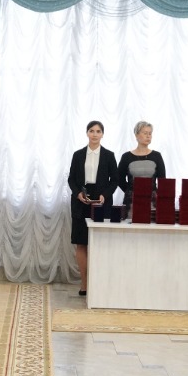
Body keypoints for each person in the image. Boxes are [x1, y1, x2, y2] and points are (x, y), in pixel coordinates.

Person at [68, 120, 118, 298]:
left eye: (98, 131)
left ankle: (98, 284)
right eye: (91, 130)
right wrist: (77, 194)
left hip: (102, 202)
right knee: (81, 242)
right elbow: (71, 179)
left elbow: (115, 180)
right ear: (87, 133)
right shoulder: (78, 154)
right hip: (81, 200)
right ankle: (84, 284)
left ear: (102, 134)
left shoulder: (109, 155)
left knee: (100, 242)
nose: (95, 134)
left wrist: (105, 194)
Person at [117, 120, 165, 210]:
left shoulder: (157, 156)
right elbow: (119, 179)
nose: (148, 136)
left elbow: (162, 180)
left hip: (152, 202)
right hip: (131, 202)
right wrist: (130, 192)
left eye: (150, 133)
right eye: (145, 133)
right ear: (136, 135)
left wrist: (155, 194)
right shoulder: (126, 157)